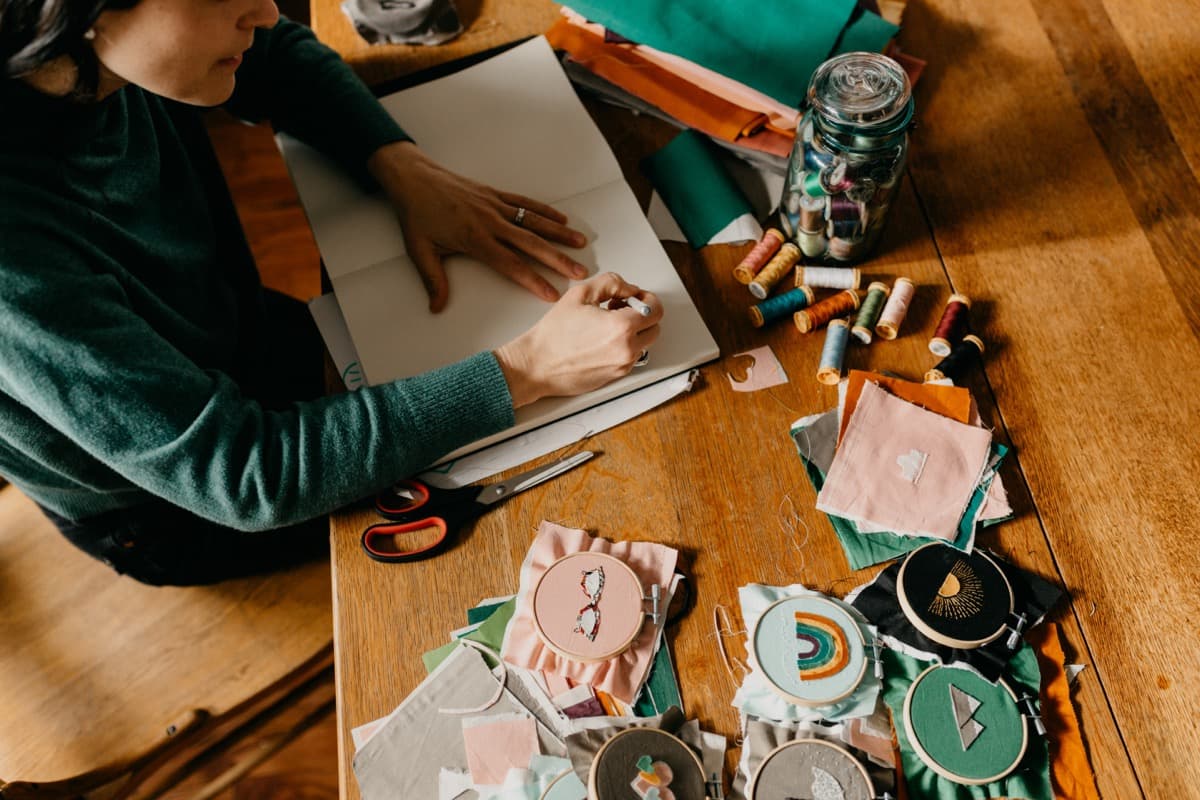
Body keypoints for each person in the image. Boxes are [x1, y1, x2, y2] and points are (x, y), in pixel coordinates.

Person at [0, 0, 662, 585]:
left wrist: (398, 165)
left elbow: (276, 51)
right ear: (81, 10)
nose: (263, 10)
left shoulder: (99, 54)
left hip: (243, 343)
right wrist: (529, 369)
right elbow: (248, 477)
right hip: (167, 510)